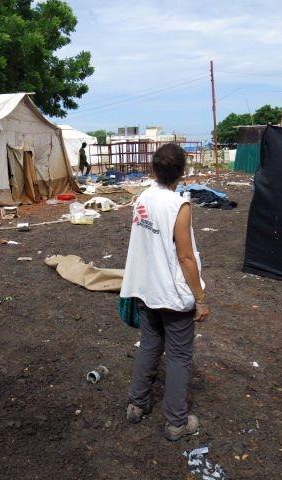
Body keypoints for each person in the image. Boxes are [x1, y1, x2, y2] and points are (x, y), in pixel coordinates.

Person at [120, 143, 209, 442]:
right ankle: (176, 423)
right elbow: (185, 258)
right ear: (182, 172)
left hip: (145, 291)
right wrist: (200, 298)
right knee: (180, 357)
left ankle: (137, 405)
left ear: (153, 169)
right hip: (171, 296)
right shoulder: (178, 206)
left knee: (149, 346)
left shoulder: (143, 198)